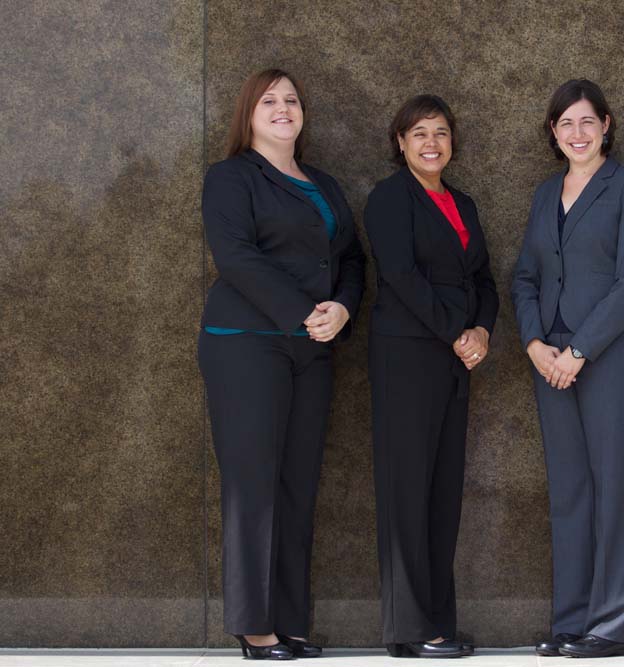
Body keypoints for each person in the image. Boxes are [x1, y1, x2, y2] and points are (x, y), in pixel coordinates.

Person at [198, 69, 365, 660]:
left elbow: (350, 258)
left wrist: (342, 309)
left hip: (312, 347)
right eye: (269, 100)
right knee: (254, 486)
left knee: (297, 485)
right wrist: (304, 312)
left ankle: (290, 621)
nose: (283, 108)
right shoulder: (230, 177)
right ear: (248, 113)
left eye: (292, 99)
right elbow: (236, 257)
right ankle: (254, 626)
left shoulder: (324, 182)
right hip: (246, 342)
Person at [511, 79, 624, 659]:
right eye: (566, 124)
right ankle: (571, 621)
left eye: (587, 122)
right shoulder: (545, 194)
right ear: (553, 132)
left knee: (615, 488)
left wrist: (578, 352)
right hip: (549, 361)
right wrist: (534, 344)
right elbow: (525, 275)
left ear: (607, 125)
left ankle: (616, 625)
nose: (577, 133)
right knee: (569, 491)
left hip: (610, 357)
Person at [364, 94, 498, 659]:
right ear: (400, 142)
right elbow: (399, 275)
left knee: (442, 492)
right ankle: (409, 630)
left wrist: (483, 331)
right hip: (408, 355)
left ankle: (440, 622)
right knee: (407, 491)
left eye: (440, 133)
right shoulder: (390, 198)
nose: (431, 143)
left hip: (453, 358)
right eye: (419, 133)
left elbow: (485, 279)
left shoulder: (463, 203)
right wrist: (455, 331)